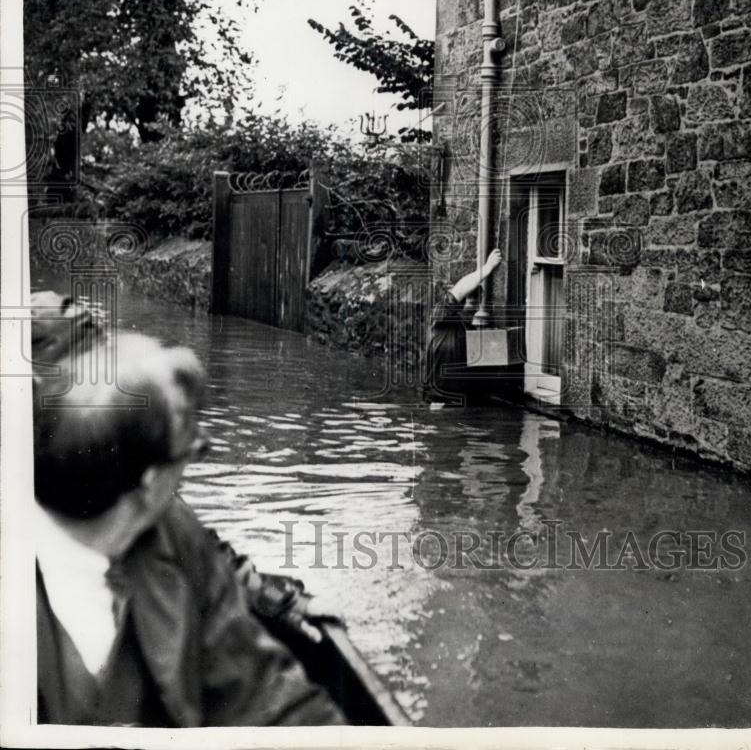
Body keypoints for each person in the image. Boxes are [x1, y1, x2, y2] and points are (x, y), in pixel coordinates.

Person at [33, 321, 346, 726]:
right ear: (149, 482)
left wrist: (282, 600)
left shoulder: (176, 535)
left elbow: (267, 697)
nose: (190, 468)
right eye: (193, 450)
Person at [424, 248, 503, 407]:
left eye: (476, 304)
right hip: (438, 401)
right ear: (460, 304)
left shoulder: (470, 330)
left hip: (462, 403)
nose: (473, 308)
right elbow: (459, 290)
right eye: (470, 303)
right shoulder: (441, 315)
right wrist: (488, 268)